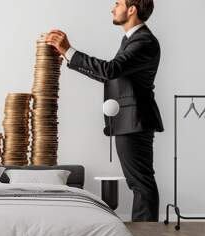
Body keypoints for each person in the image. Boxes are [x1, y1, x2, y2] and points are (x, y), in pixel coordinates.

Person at [45, 0, 164, 222]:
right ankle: (147, 235)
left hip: (134, 120)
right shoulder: (131, 40)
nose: (112, 7)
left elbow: (110, 70)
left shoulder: (144, 41)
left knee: (141, 182)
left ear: (132, 9)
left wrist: (69, 50)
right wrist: (68, 55)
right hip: (130, 119)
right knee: (139, 181)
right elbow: (108, 74)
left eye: (117, 3)